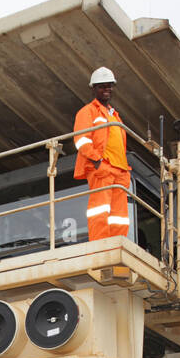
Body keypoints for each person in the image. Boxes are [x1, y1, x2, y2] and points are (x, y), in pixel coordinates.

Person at [73, 67, 131, 242]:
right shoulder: (88, 111)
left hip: (120, 171)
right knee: (100, 210)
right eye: (102, 86)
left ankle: (117, 244)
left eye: (109, 86)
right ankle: (100, 246)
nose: (106, 89)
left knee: (119, 216)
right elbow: (82, 140)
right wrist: (97, 161)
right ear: (93, 89)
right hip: (102, 168)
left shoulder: (114, 115)